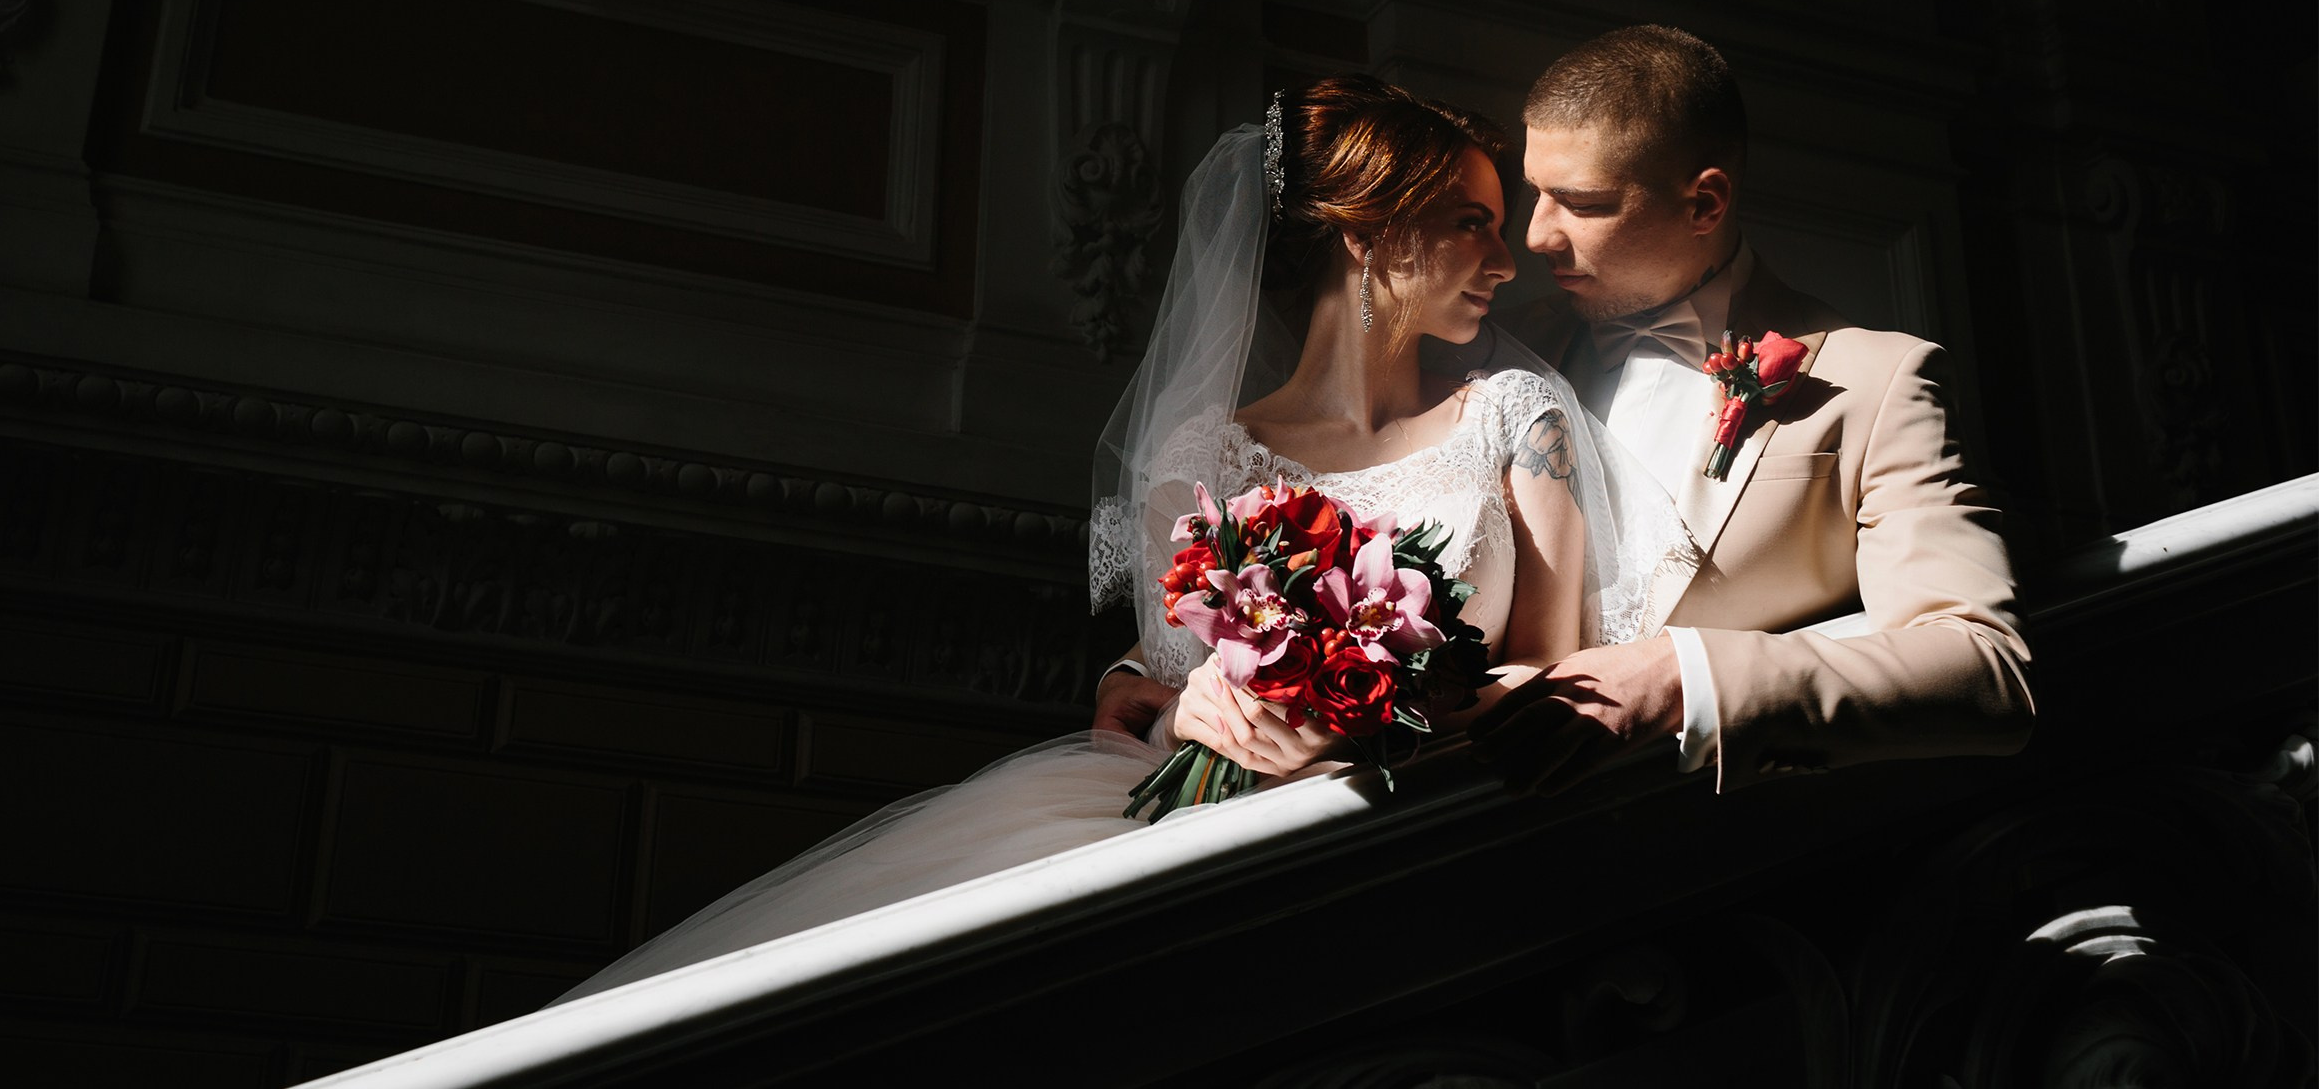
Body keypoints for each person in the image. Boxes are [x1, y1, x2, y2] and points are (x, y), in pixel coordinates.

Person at [551, 76, 1682, 1004]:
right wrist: (1185, 703)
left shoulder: (1512, 421)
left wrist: (1376, 719)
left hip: (1426, 823)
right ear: (1363, 231)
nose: (1505, 258)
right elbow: (1168, 680)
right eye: (1469, 222)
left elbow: (1556, 662)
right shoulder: (1201, 447)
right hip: (1210, 824)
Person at [1459, 24, 2036, 794]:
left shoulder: (1878, 381)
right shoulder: (1497, 349)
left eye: (1583, 203)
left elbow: (1984, 668)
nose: (1535, 237)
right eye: (1536, 192)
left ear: (1705, 202)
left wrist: (1683, 677)